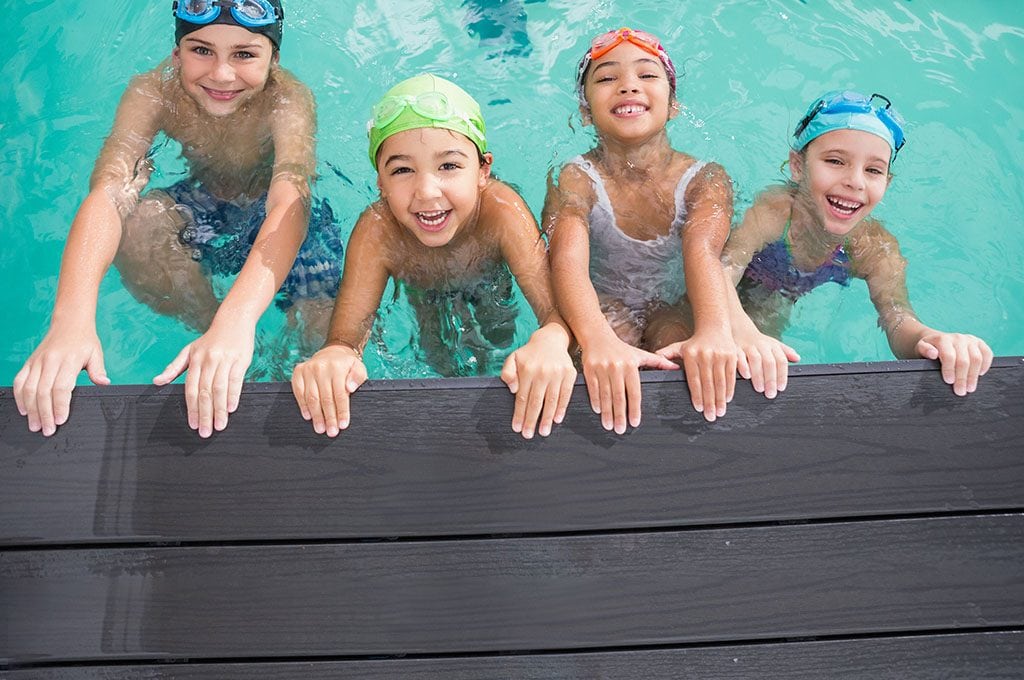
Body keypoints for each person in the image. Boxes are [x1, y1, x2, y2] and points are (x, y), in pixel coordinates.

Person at [13, 0, 340, 439]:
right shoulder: (153, 94)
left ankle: (234, 335)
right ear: (176, 53)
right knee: (141, 222)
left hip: (280, 220)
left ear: (273, 59)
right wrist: (70, 319)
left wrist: (239, 318)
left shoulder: (287, 99)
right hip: (204, 206)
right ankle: (217, 339)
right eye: (201, 50)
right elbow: (111, 192)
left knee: (322, 337)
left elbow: (290, 201)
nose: (222, 74)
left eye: (244, 54)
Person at [291, 74, 576, 440]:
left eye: (449, 166)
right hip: (422, 284)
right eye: (402, 170)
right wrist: (335, 357)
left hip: (486, 273)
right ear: (380, 181)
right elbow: (345, 340)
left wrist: (551, 339)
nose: (426, 192)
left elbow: (556, 313)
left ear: (483, 170)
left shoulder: (502, 212)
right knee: (439, 360)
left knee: (501, 334)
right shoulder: (378, 230)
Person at [721, 90, 992, 396]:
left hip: (785, 292)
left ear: (886, 183)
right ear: (797, 166)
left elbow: (897, 318)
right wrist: (739, 327)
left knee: (768, 356)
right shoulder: (774, 212)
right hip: (746, 282)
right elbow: (722, 270)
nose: (856, 181)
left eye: (873, 170)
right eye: (835, 161)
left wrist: (930, 339)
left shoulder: (875, 248)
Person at [543, 27, 739, 435]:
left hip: (673, 302)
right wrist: (595, 339)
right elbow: (564, 258)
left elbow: (703, 252)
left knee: (685, 348)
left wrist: (714, 331)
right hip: (605, 303)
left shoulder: (706, 179)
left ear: (673, 106)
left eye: (647, 75)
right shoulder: (576, 177)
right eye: (607, 78)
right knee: (604, 355)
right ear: (585, 111)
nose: (628, 86)